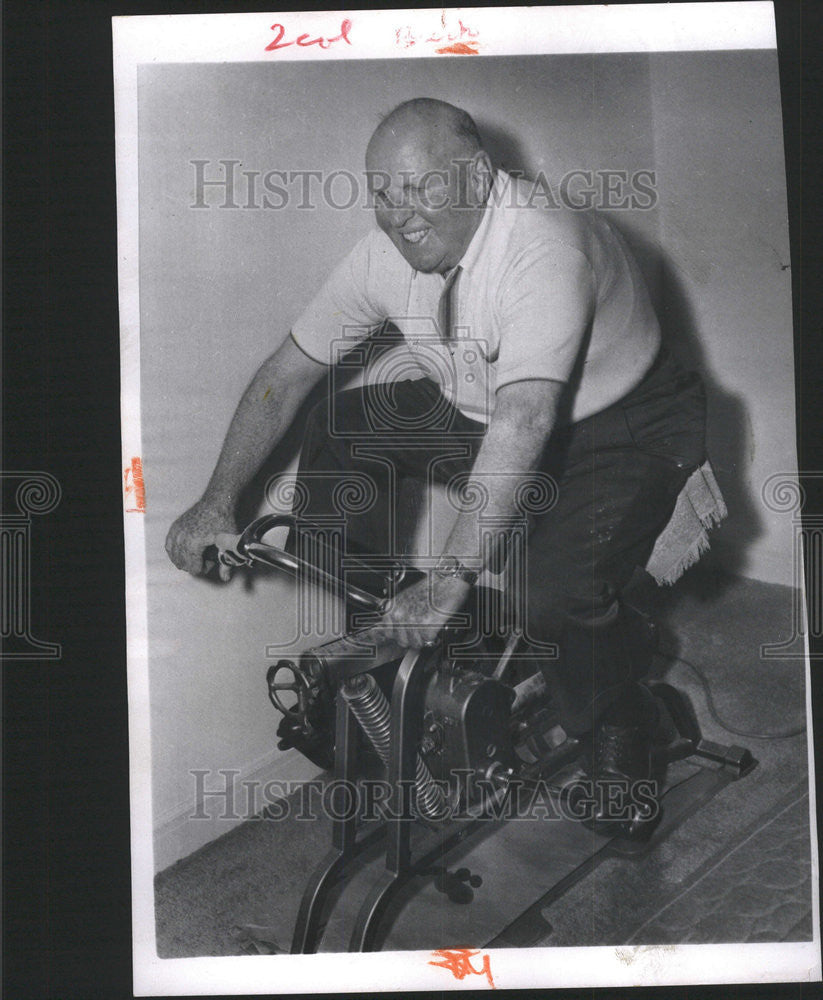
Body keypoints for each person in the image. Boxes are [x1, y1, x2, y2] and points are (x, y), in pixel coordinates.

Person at [166, 98, 706, 835]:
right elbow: (284, 375)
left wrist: (451, 578)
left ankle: (622, 719)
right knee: (342, 423)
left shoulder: (545, 246)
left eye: (420, 188)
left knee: (549, 598)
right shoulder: (381, 255)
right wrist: (216, 500)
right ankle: (375, 643)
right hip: (486, 404)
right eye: (383, 193)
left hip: (620, 425)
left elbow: (526, 419)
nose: (399, 214)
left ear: (477, 175)